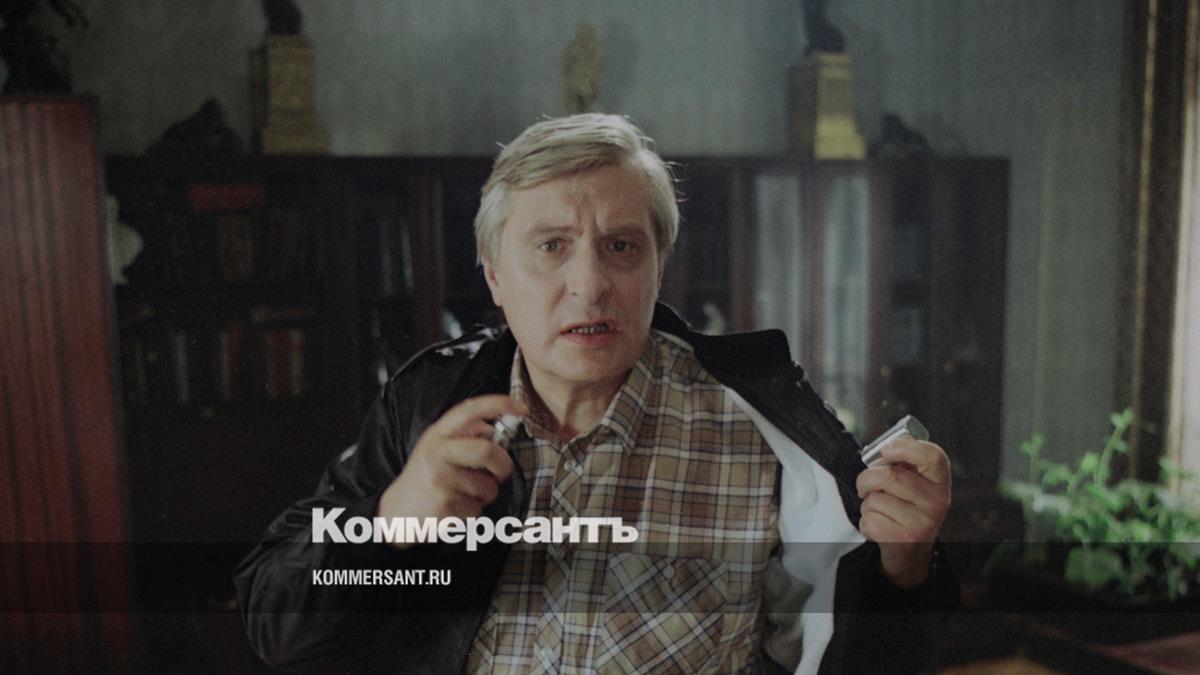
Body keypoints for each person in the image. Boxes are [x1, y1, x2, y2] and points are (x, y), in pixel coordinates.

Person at [234, 113, 957, 674]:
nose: (590, 284)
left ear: (659, 265)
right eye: (551, 246)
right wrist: (391, 524)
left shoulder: (761, 420)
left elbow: (872, 656)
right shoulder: (431, 403)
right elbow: (276, 623)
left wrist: (903, 567)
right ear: (494, 276)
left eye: (621, 246)